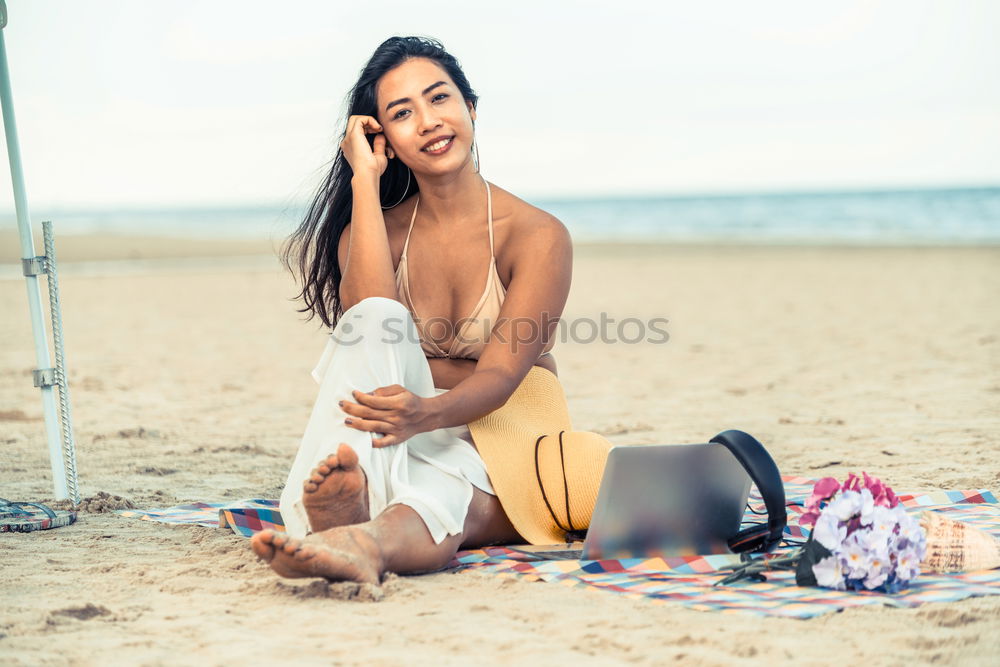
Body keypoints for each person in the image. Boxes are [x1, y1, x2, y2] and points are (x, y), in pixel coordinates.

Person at [250, 36, 573, 584]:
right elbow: (367, 325)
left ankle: (358, 529)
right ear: (385, 140)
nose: (428, 121)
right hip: (398, 423)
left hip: (504, 424)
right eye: (402, 113)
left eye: (439, 99)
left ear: (470, 109)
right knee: (378, 319)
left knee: (448, 484)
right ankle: (352, 525)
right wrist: (364, 181)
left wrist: (425, 409)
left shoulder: (536, 235)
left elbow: (498, 373)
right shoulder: (373, 232)